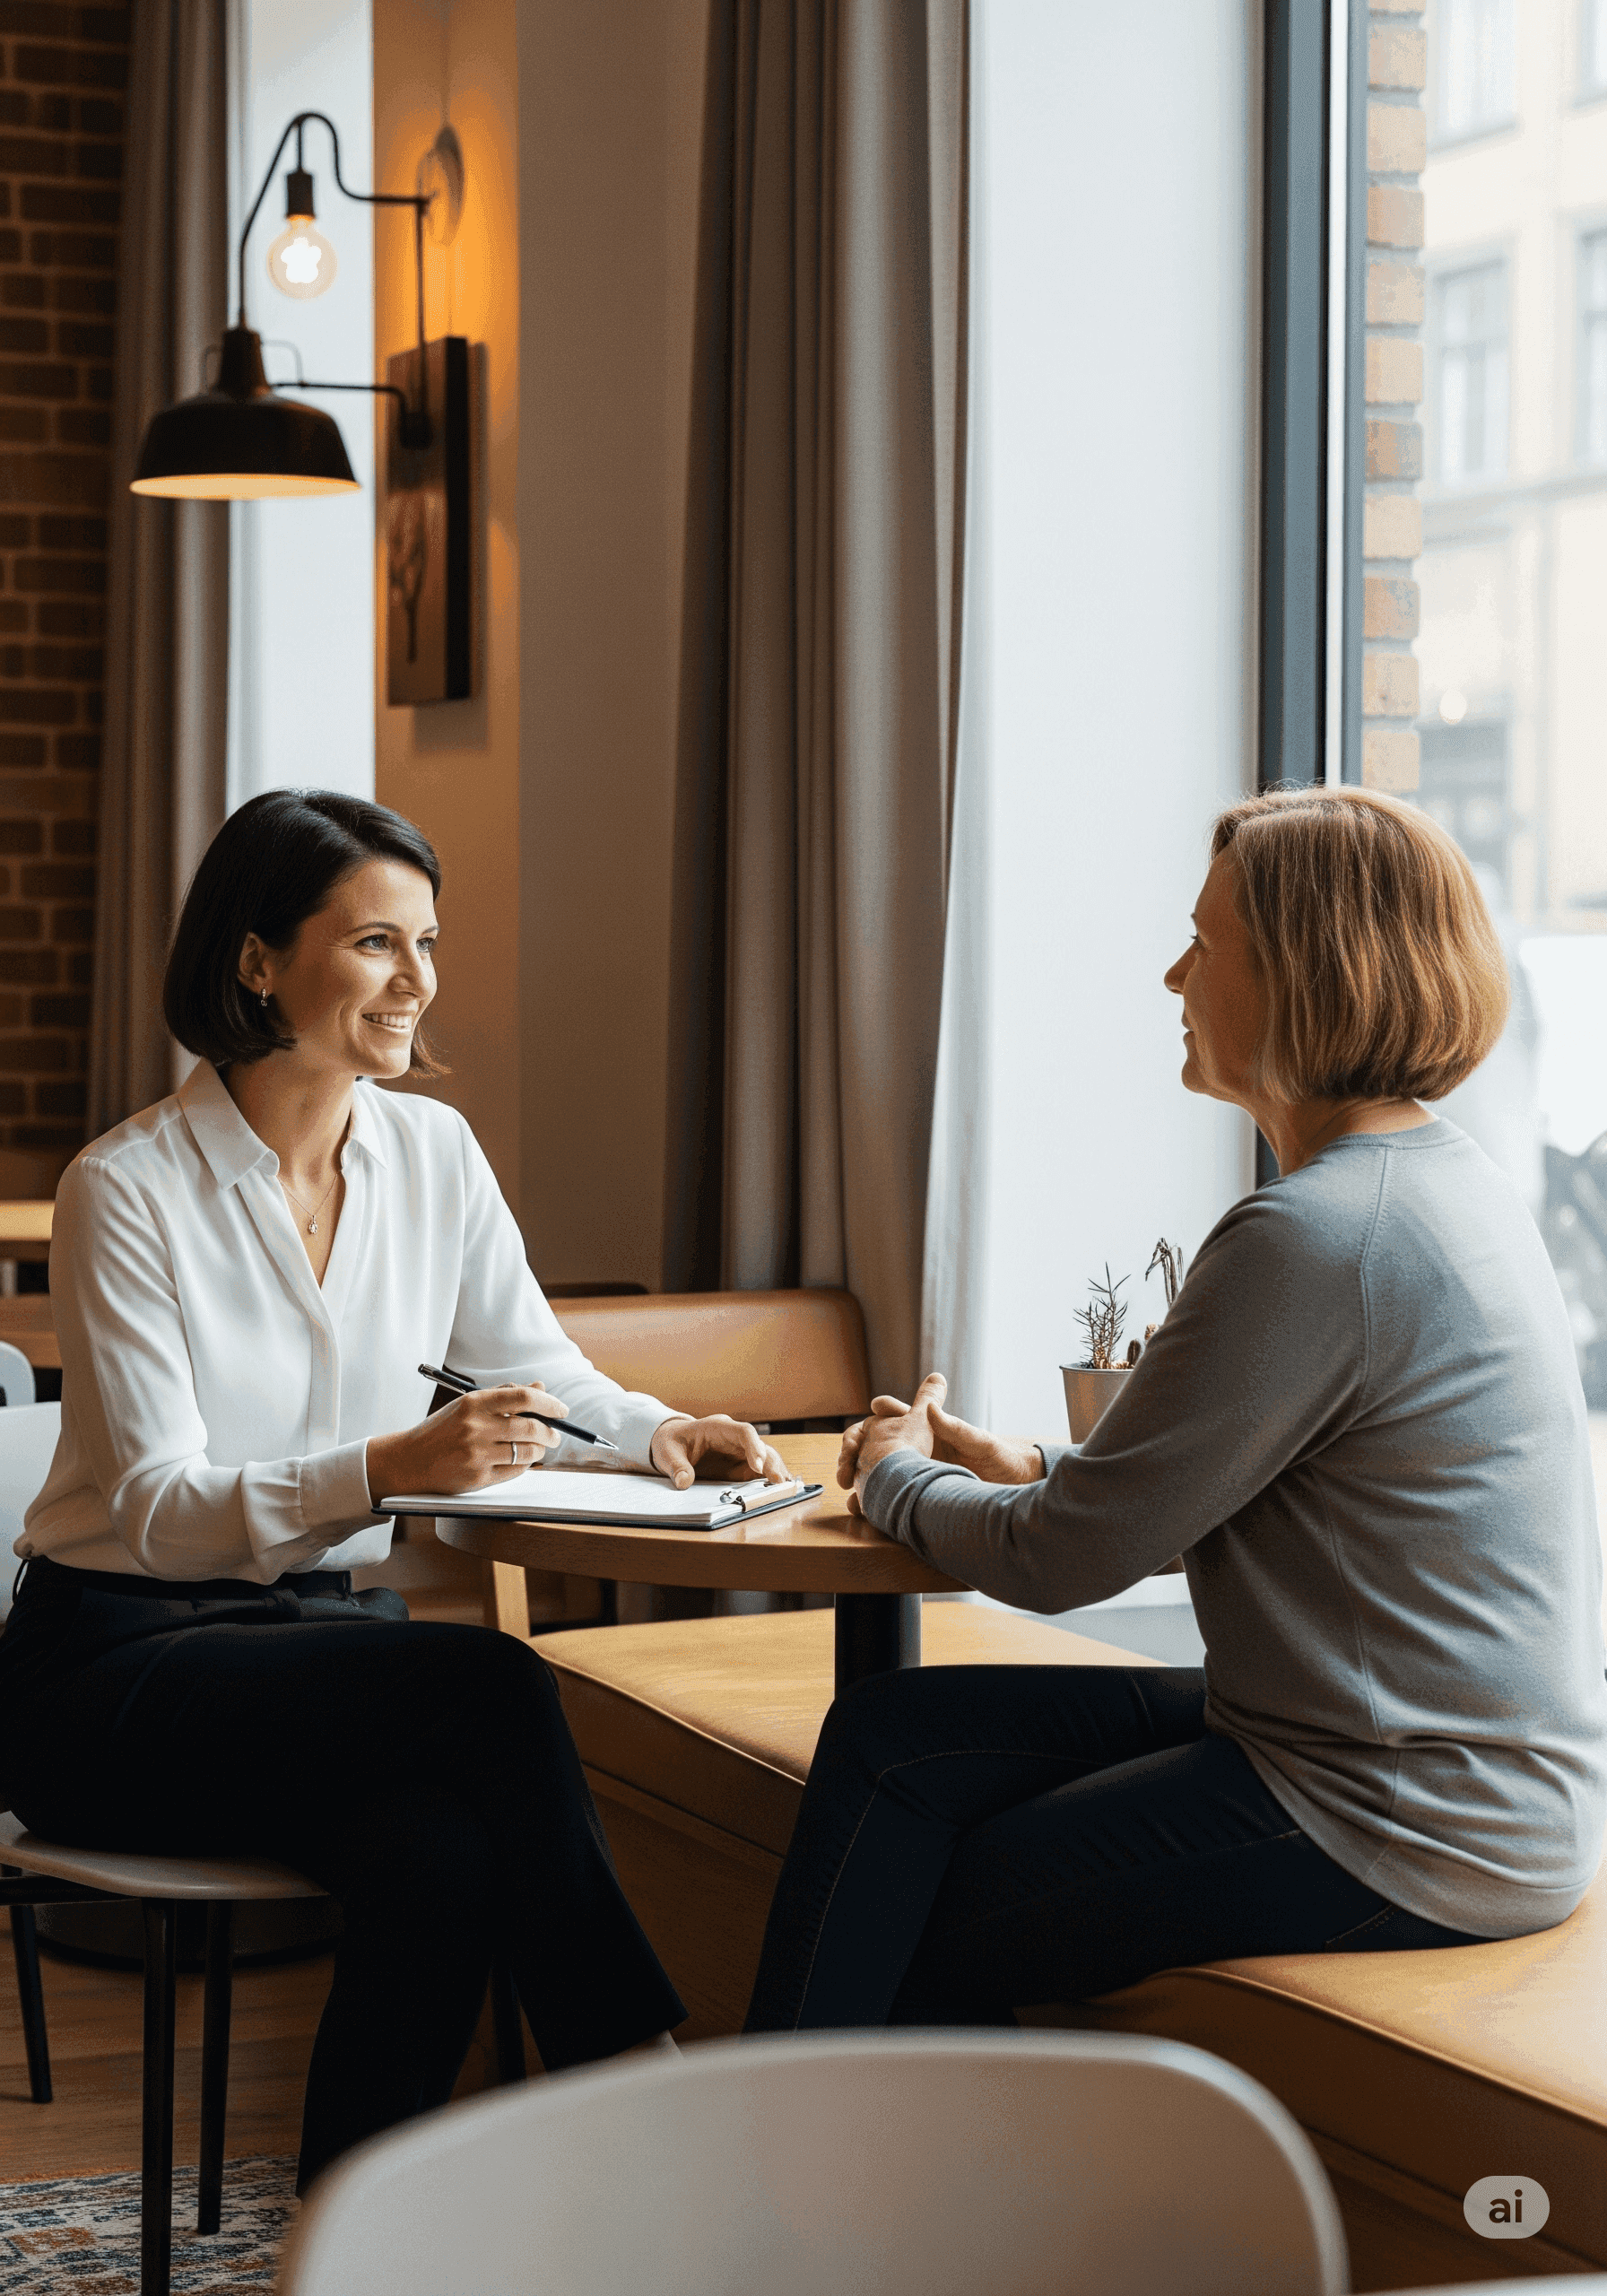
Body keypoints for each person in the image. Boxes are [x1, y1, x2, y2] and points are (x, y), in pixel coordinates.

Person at [0, 787, 788, 2189]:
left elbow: (539, 1368)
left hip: (311, 1658)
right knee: (490, 1685)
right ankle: (640, 2092)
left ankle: (343, 2244)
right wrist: (385, 1468)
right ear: (258, 961)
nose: (419, 982)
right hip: (111, 1674)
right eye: (377, 943)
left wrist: (662, 1431)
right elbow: (159, 1512)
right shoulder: (124, 1190)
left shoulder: (434, 1154)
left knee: (442, 1861)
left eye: (428, 944)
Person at [745, 785, 1607, 2035]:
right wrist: (1036, 1459)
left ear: (1307, 973)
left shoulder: (1317, 1236)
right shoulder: (1431, 1180)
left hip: (1403, 1818)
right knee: (895, 1736)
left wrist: (892, 1472)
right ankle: (773, 2142)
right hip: (1440, 1770)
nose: (1172, 976)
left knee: (924, 1917)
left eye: (1205, 944)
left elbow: (1063, 1559)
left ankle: (778, 2181)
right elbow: (1256, 1472)